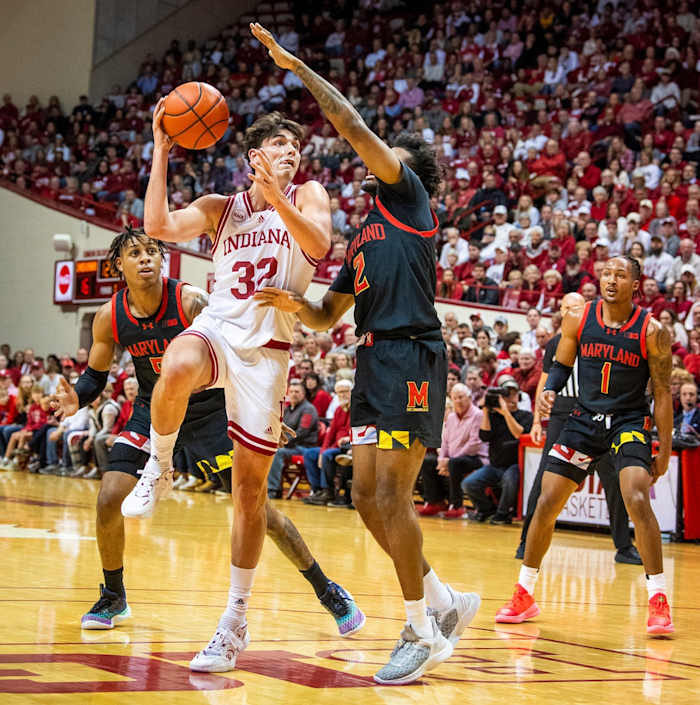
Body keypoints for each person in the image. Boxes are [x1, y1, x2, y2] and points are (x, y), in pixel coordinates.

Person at [251, 22, 480, 685]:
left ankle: (421, 628)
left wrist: (298, 67)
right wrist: (297, 307)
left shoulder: (409, 196)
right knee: (362, 497)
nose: (371, 156)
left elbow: (350, 124)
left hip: (412, 355)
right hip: (373, 362)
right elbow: (330, 310)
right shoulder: (363, 236)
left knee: (392, 495)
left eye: (384, 152)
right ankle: (442, 601)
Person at [119, 91, 357, 672]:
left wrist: (278, 196)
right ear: (253, 154)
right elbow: (157, 224)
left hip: (269, 354)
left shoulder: (307, 195)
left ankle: (234, 622)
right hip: (220, 329)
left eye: (296, 147)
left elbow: (320, 246)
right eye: (279, 144)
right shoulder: (223, 207)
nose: (291, 153)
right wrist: (159, 151)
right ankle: (161, 462)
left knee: (251, 496)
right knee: (174, 364)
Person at [52, 229, 363, 640]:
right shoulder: (110, 316)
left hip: (211, 414)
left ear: (162, 260)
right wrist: (77, 396)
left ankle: (328, 590)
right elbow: (95, 375)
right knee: (110, 496)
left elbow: (237, 352)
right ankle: (113, 595)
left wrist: (258, 409)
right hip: (153, 410)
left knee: (256, 512)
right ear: (118, 267)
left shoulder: (190, 301)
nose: (145, 259)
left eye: (152, 252)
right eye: (135, 253)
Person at [495, 257, 674, 635]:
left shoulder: (653, 331)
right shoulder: (578, 318)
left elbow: (661, 394)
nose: (611, 280)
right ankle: (524, 592)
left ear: (636, 284)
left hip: (628, 422)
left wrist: (665, 448)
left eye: (620, 275)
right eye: (606, 273)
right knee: (546, 500)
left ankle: (658, 598)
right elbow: (560, 365)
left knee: (636, 497)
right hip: (584, 419)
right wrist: (548, 390)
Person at [514, 293, 642, 565]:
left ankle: (623, 546)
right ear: (560, 312)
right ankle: (526, 541)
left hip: (595, 411)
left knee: (614, 479)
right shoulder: (555, 343)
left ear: (585, 309)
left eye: (577, 307)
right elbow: (546, 381)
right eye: (567, 307)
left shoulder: (598, 337)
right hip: (562, 415)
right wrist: (537, 420)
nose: (572, 311)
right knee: (544, 479)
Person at [463, 378, 532, 523]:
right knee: (469, 484)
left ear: (518, 396)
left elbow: (519, 434)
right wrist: (486, 410)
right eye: (506, 394)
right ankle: (486, 510)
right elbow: (484, 436)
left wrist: (506, 412)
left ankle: (502, 514)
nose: (510, 397)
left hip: (516, 465)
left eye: (513, 394)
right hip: (494, 466)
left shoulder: (526, 416)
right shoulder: (494, 417)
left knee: (509, 480)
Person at [418, 384, 487, 518]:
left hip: (476, 457)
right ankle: (435, 502)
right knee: (427, 461)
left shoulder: (478, 415)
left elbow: (474, 444)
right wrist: (442, 459)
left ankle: (457, 506)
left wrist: (449, 460)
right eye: (454, 398)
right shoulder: (451, 417)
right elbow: (444, 441)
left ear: (469, 398)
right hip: (454, 459)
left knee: (455, 463)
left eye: (461, 397)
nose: (458, 401)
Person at [267, 379, 319, 498]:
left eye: (297, 391)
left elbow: (301, 432)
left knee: (276, 453)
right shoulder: (286, 409)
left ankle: (273, 489)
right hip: (289, 446)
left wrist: (281, 442)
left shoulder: (308, 409)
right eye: (291, 391)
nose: (294, 394)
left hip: (304, 448)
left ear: (303, 394)